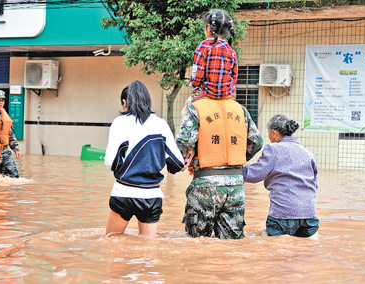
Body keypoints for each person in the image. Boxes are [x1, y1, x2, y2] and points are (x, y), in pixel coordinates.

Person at [104, 81, 184, 239]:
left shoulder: (119, 123)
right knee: (147, 251)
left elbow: (110, 162)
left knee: (112, 241)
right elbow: (177, 164)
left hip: (123, 193)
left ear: (125, 103)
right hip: (151, 196)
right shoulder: (161, 125)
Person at [177, 96, 263, 239]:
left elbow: (184, 142)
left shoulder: (195, 107)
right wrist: (239, 158)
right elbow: (257, 142)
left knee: (197, 242)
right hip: (235, 185)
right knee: (231, 244)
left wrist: (185, 159)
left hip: (205, 183)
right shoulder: (240, 109)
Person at [243, 114, 319, 238]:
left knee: (276, 252)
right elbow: (314, 184)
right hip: (309, 216)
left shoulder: (273, 149)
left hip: (283, 216)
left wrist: (234, 171)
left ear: (273, 133)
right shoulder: (308, 153)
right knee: (304, 252)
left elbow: (256, 174)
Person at [180, 9, 238, 120]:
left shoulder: (203, 46)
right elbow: (234, 78)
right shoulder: (231, 51)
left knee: (185, 112)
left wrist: (193, 87)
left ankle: (186, 137)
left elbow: (197, 76)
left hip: (206, 93)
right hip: (227, 96)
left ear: (208, 27)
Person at [0, 90, 22, 179]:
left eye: (2, 100)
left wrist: (16, 149)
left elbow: (10, 134)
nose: (0, 102)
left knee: (14, 179)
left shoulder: (4, 115)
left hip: (5, 154)